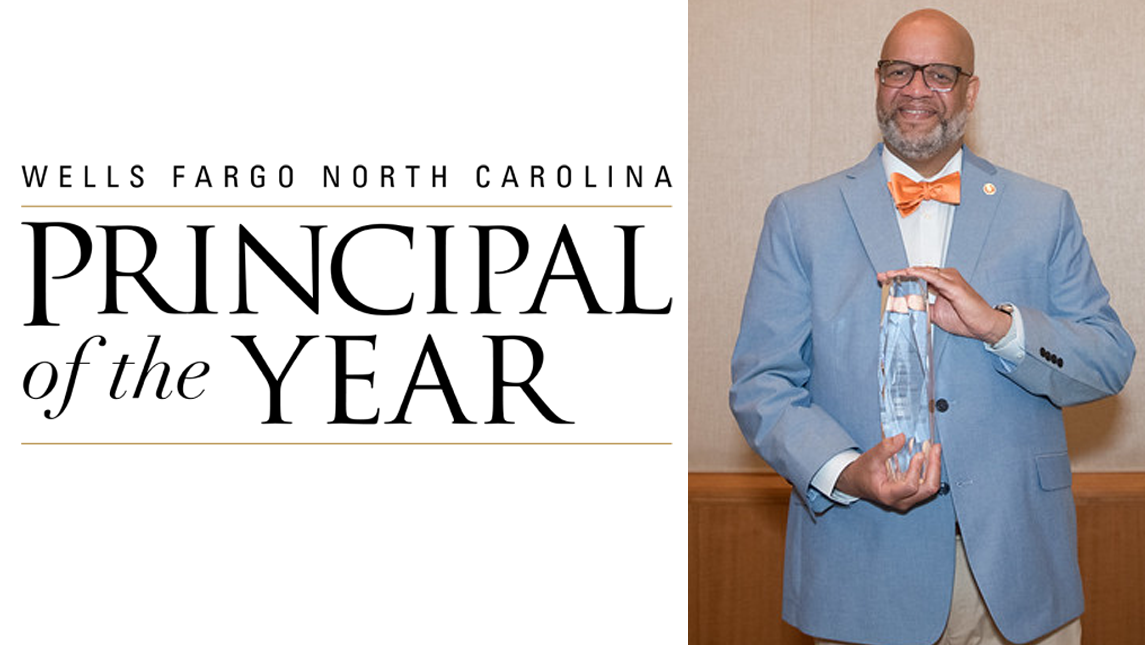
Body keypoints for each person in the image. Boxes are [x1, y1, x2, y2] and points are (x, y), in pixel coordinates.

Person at [729, 9, 1135, 645]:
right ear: (877, 81)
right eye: (900, 70)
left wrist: (1001, 328)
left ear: (970, 91)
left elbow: (1108, 360)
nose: (916, 89)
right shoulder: (798, 216)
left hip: (1017, 574)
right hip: (861, 568)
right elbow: (762, 383)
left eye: (940, 73)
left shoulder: (1044, 211)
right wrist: (845, 471)